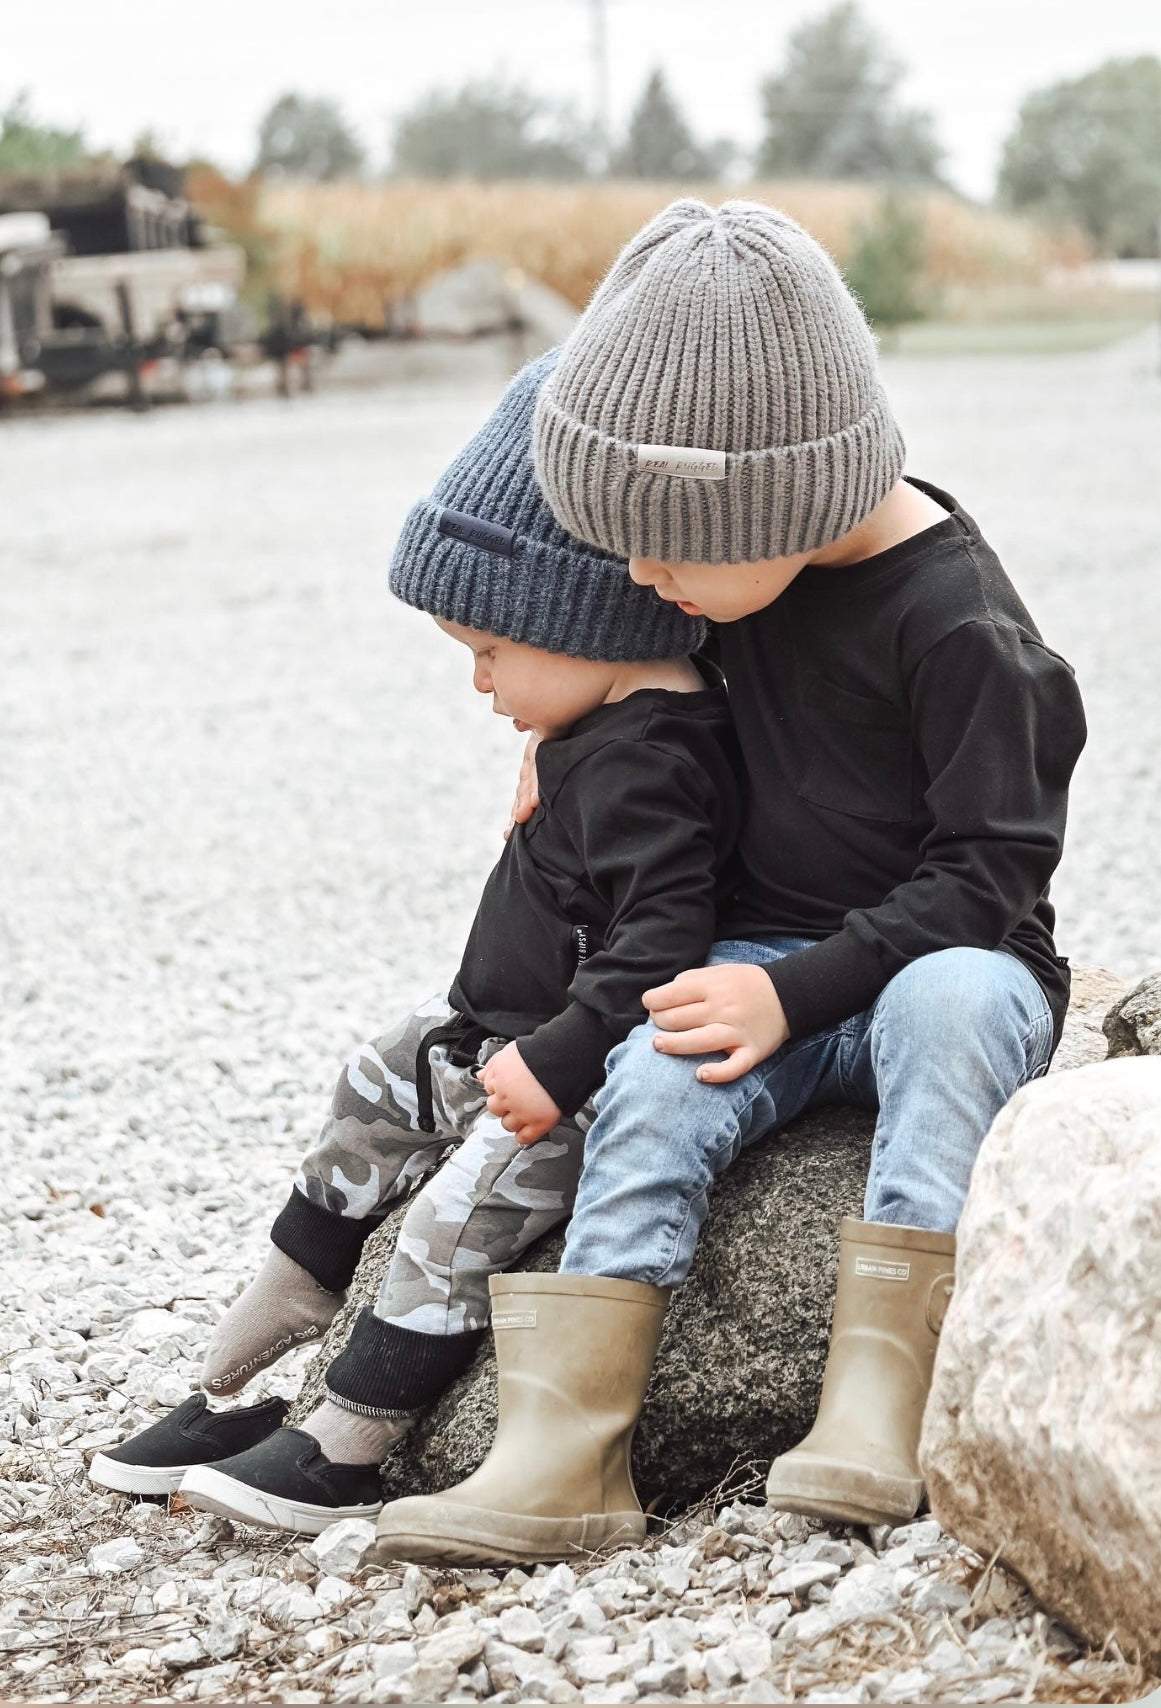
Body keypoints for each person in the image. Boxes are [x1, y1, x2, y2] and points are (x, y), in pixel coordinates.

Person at [368, 198, 1088, 1566]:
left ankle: (879, 1404)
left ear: (781, 500)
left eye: (663, 554)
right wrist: (571, 759)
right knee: (649, 1071)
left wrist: (793, 991)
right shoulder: (733, 581)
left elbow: (991, 873)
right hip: (759, 952)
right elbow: (671, 723)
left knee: (941, 1009)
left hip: (949, 962)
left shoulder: (963, 631)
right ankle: (568, 1449)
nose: (643, 585)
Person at [87, 350, 739, 1537]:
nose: (480, 683)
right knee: (378, 1071)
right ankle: (283, 1302)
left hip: (577, 1080)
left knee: (457, 1214)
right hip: (495, 1036)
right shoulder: (600, 718)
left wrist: (560, 1057)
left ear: (583, 618)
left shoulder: (656, 762)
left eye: (491, 652)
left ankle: (349, 1437)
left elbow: (661, 939)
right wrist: (545, 736)